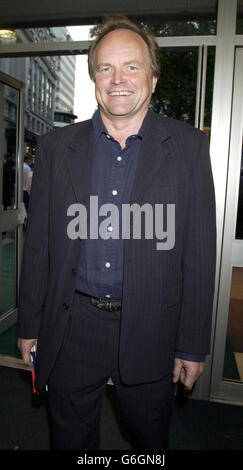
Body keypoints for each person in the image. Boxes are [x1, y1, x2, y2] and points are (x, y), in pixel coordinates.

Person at [17, 15, 216, 451]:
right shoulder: (55, 148)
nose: (118, 79)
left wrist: (193, 345)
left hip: (152, 327)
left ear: (153, 78)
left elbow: (199, 255)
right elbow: (40, 248)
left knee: (149, 442)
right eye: (105, 68)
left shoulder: (188, 148)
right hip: (73, 327)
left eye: (132, 66)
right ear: (94, 79)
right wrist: (30, 322)